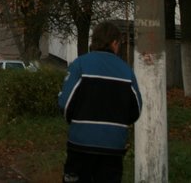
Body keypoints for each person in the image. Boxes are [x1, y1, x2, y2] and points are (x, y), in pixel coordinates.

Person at [57, 21, 142, 183]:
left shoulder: (80, 65)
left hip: (80, 143)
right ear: (115, 43)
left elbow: (65, 104)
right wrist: (119, 125)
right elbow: (136, 109)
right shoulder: (127, 71)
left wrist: (74, 122)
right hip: (113, 147)